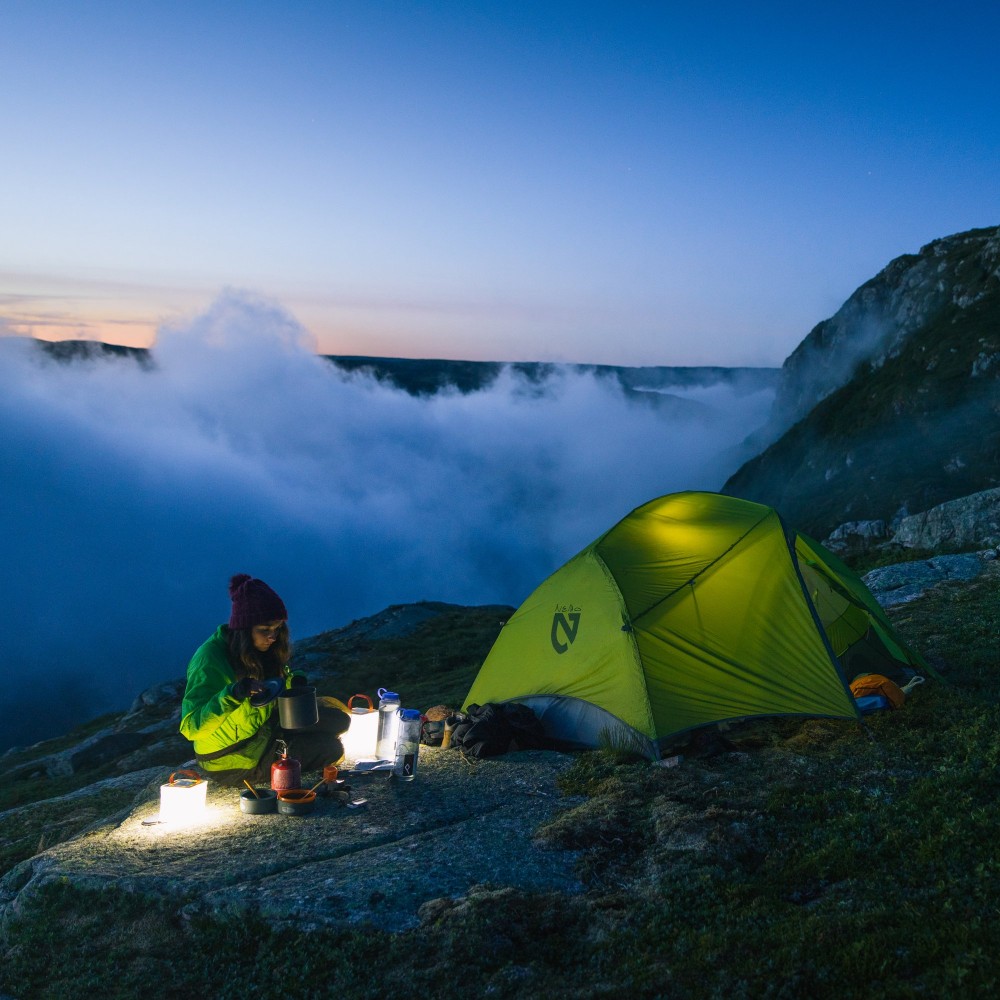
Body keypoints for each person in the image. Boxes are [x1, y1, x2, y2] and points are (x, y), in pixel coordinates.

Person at [179, 573, 349, 786]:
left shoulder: (260, 648)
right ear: (243, 629)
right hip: (232, 756)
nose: (272, 637)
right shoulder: (210, 659)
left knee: (341, 720)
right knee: (331, 748)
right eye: (265, 630)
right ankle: (275, 758)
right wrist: (233, 694)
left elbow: (278, 680)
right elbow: (191, 728)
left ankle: (286, 745)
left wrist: (295, 682)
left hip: (263, 726)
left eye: (277, 629)